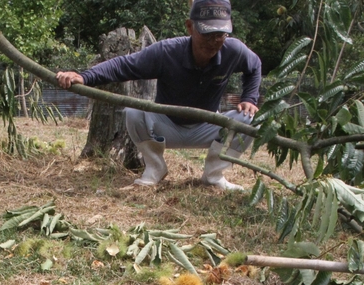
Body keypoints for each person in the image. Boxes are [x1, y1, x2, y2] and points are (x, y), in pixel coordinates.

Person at [56, 0, 261, 191]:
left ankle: (214, 175)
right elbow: (123, 66)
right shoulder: (167, 52)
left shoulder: (234, 50)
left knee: (250, 119)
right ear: (190, 27)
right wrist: (84, 77)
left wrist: (249, 98)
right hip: (166, 126)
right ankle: (155, 168)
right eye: (207, 34)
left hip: (209, 124)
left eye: (221, 34)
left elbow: (255, 66)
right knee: (134, 111)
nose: (215, 42)